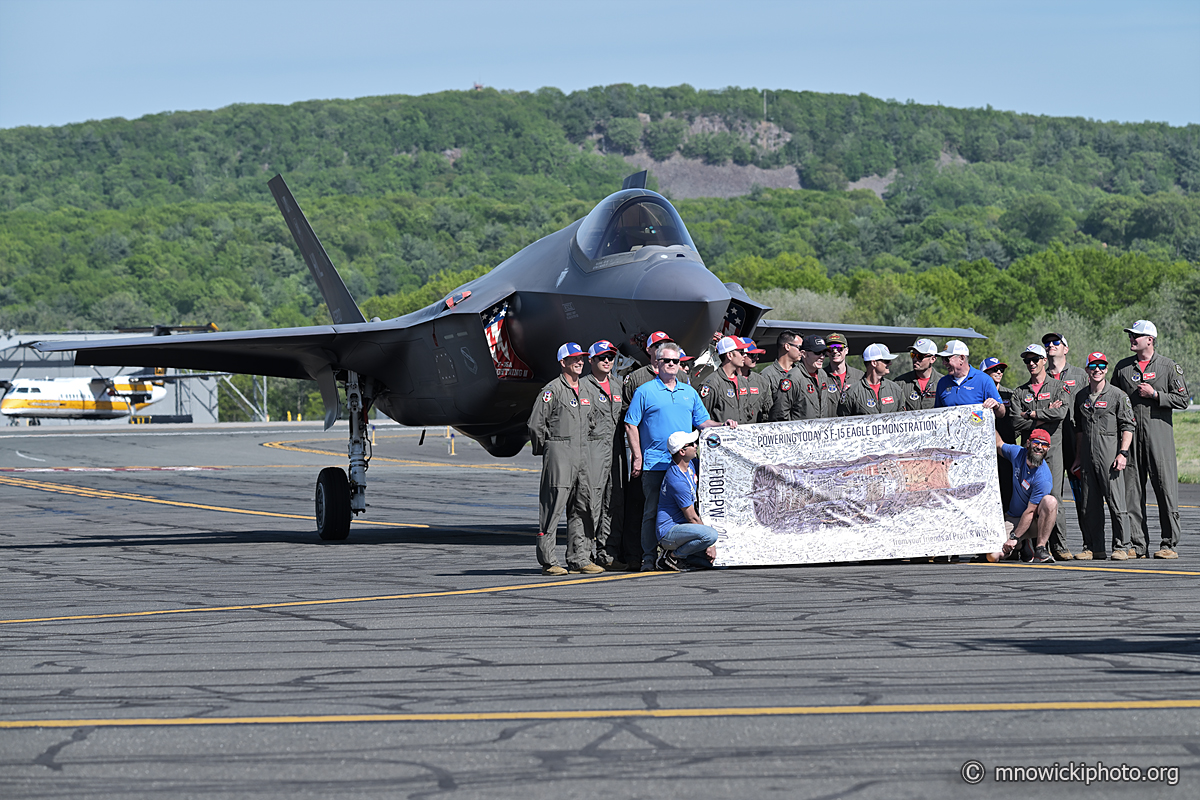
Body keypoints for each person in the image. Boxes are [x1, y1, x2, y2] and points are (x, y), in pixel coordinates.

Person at [625, 341, 734, 572]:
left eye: (677, 361)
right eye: (667, 361)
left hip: (685, 464)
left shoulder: (689, 391)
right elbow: (631, 424)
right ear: (657, 363)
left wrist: (722, 425)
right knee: (652, 511)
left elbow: (703, 422)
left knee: (688, 509)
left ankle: (679, 556)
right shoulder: (645, 391)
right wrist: (637, 456)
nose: (673, 365)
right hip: (655, 462)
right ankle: (647, 557)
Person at [1112, 320, 1190, 559]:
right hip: (1131, 438)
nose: (1132, 338)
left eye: (1137, 335)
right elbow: (1113, 398)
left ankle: (1168, 543)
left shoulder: (1168, 366)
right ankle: (1137, 544)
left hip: (1159, 437)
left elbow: (1183, 399)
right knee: (1132, 492)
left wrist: (1156, 395)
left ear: (1150, 339)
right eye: (1131, 335)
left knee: (1165, 490)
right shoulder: (1123, 368)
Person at [528, 342, 601, 575]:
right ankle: (549, 560)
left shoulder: (587, 389)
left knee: (583, 505)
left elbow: (592, 421)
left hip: (583, 453)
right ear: (563, 362)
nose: (580, 362)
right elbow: (535, 424)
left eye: (582, 358)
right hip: (560, 451)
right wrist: (547, 449)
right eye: (575, 359)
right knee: (554, 505)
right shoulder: (552, 390)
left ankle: (580, 557)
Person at [1008, 343, 1073, 559]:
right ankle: (1028, 544)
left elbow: (1062, 413)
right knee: (1027, 499)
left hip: (1052, 451)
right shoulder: (1019, 392)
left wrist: (1032, 414)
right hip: (1029, 454)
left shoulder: (1058, 387)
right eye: (1027, 360)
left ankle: (1059, 545)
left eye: (1035, 359)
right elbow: (1017, 423)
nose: (1032, 363)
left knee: (1053, 498)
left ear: (1044, 360)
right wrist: (1045, 414)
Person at [1071, 352, 1136, 561]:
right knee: (1089, 505)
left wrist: (1123, 453)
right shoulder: (1081, 396)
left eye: (1101, 366)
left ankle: (1122, 546)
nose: (1097, 369)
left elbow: (1128, 426)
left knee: (1117, 504)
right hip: (1088, 458)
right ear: (1087, 369)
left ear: (1106, 369)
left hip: (1110, 458)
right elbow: (1080, 428)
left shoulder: (1118, 395)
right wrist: (1079, 457)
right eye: (1093, 366)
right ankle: (1093, 547)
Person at [574, 340, 627, 570]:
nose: (607, 361)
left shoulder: (618, 386)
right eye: (602, 357)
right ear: (591, 360)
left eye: (611, 357)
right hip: (591, 450)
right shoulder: (582, 386)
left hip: (614, 451)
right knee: (588, 503)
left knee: (613, 502)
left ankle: (606, 553)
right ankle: (581, 556)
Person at [1044, 332, 1090, 554]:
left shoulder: (1081, 375)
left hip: (1076, 437)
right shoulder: (1040, 375)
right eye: (1047, 344)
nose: (1050, 346)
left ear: (1066, 349)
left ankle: (1090, 545)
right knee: (1053, 493)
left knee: (1083, 493)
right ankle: (1059, 546)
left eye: (1055, 343)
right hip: (1052, 438)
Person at [990, 428, 1058, 563]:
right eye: (1036, 443)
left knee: (1050, 501)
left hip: (1033, 522)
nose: (1039, 447)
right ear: (1028, 443)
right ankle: (1022, 545)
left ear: (1048, 448)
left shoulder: (1043, 478)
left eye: (1044, 445)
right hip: (1014, 517)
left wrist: (1014, 538)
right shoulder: (1017, 453)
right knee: (993, 556)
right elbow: (998, 444)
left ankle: (1040, 548)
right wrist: (989, 419)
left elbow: (1031, 512)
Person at [655, 430, 720, 571]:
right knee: (711, 535)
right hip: (669, 531)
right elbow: (692, 518)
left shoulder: (689, 464)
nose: (696, 445)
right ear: (682, 452)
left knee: (718, 563)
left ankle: (683, 556)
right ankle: (673, 557)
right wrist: (711, 545)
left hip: (684, 530)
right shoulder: (677, 481)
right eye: (692, 444)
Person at [933, 340, 1005, 419]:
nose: (944, 363)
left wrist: (996, 406)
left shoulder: (984, 380)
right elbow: (937, 413)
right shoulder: (942, 382)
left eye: (947, 359)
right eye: (942, 359)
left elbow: (1002, 413)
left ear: (961, 358)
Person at [774, 334, 839, 420]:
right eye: (817, 352)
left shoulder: (823, 374)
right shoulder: (793, 378)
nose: (822, 357)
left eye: (824, 353)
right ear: (804, 354)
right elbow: (780, 414)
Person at [982, 357, 1015, 511]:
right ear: (984, 372)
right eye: (994, 369)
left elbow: (1017, 420)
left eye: (1001, 369)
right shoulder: (978, 394)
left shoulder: (1010, 394)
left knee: (1008, 485)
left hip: (1006, 447)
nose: (999, 372)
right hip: (985, 449)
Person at [698, 336, 752, 424]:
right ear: (729, 355)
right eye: (741, 352)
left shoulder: (743, 382)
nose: (745, 355)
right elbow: (702, 419)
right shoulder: (711, 384)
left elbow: (748, 413)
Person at [839, 343, 904, 416]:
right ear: (874, 363)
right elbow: (843, 422)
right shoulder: (852, 393)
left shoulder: (895, 389)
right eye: (887, 361)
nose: (890, 363)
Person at [760, 330, 802, 420]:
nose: (802, 351)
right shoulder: (767, 375)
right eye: (799, 347)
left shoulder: (801, 373)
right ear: (787, 346)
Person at [894, 338, 942, 411]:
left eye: (920, 356)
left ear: (933, 359)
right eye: (913, 355)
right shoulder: (900, 383)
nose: (915, 359)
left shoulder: (943, 382)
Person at [823, 332, 864, 402]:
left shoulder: (860, 376)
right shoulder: (821, 376)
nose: (835, 351)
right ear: (827, 352)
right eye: (830, 348)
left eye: (839, 348)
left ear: (846, 350)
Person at [739, 337, 771, 422]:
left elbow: (767, 412)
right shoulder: (723, 381)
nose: (757, 358)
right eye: (753, 355)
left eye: (757, 355)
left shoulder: (761, 382)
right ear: (741, 355)